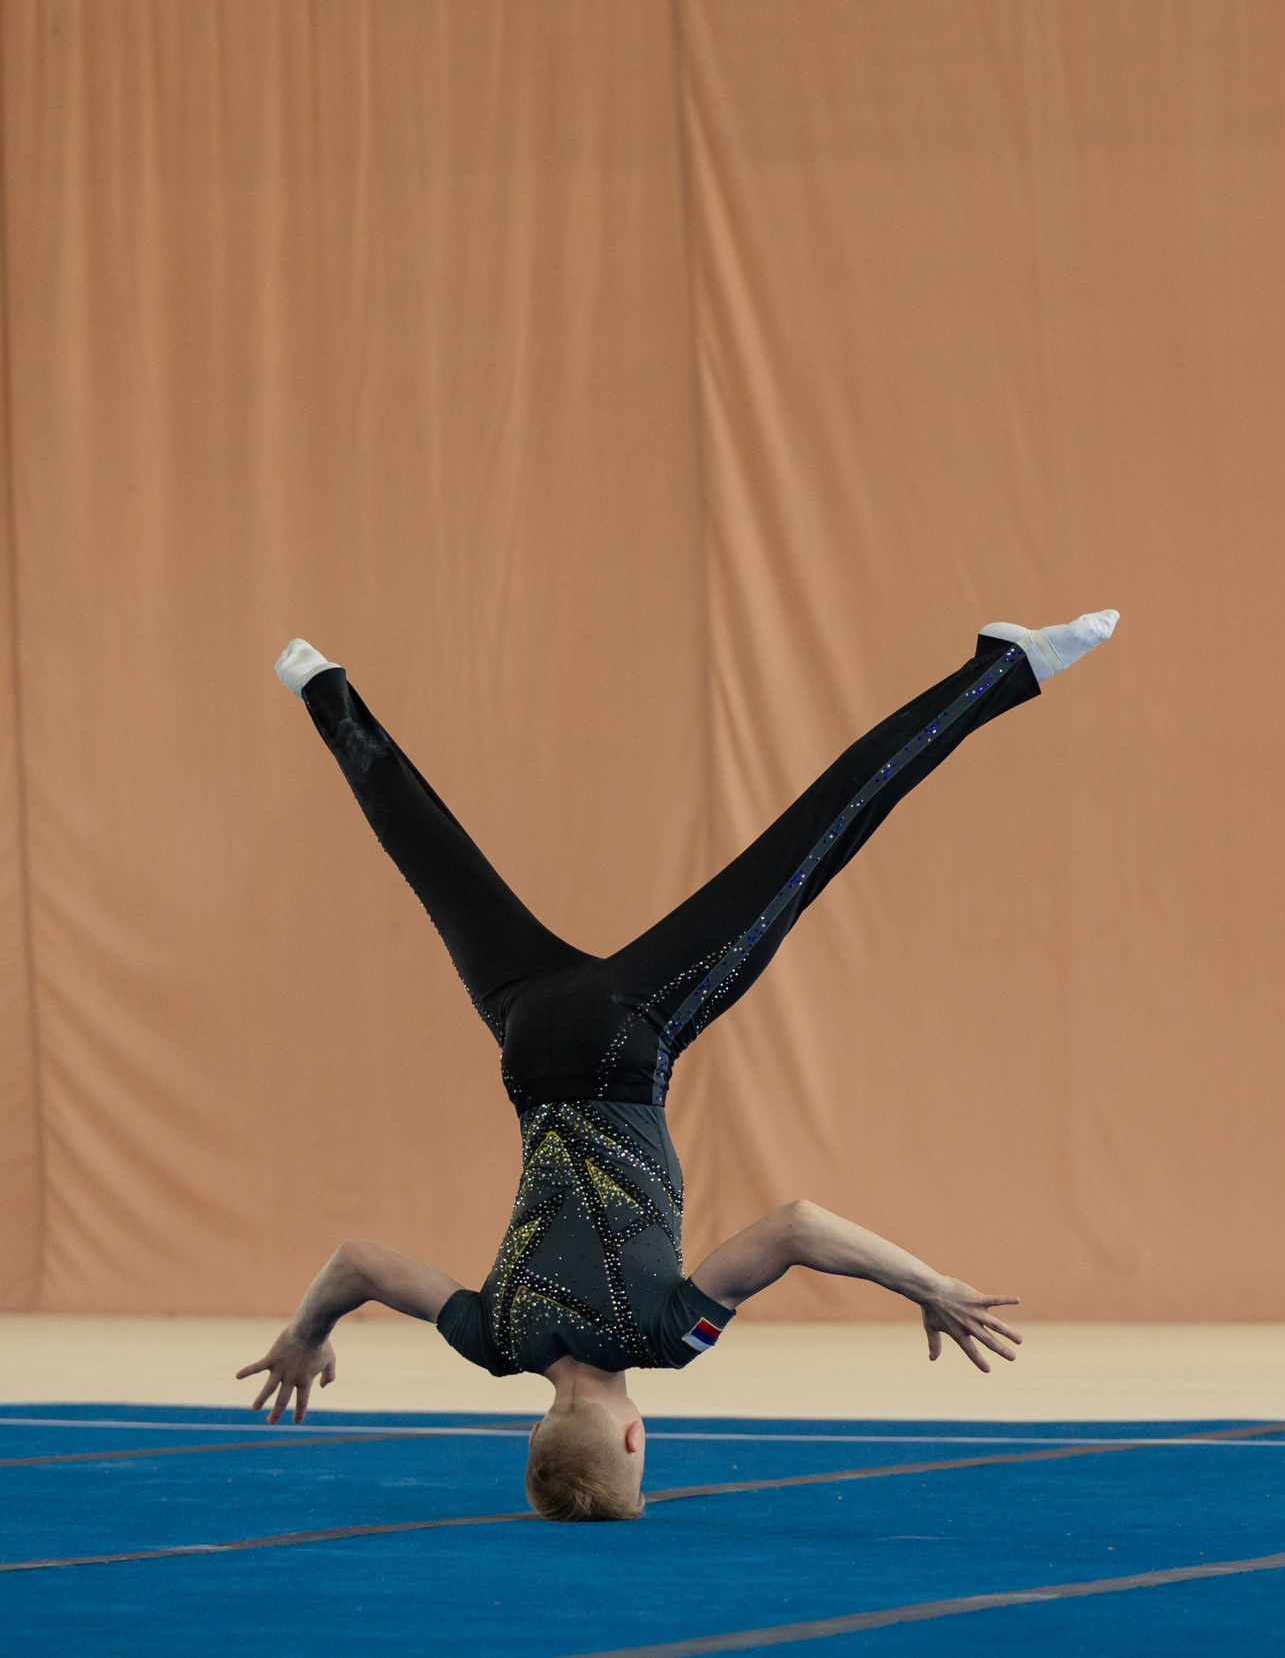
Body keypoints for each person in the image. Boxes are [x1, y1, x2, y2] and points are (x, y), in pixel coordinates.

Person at [236, 611, 1119, 1519]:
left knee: (814, 843)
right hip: (528, 1041)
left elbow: (798, 1228)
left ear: (633, 1438)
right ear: (533, 1433)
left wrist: (930, 1287)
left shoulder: (664, 1335)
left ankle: (1003, 668)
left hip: (631, 1039)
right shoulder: (493, 1339)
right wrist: (307, 1333)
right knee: (434, 859)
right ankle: (321, 688)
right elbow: (356, 1261)